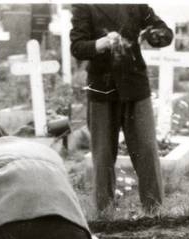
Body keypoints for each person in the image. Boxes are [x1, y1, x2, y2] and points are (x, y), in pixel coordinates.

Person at [70, 4, 174, 214]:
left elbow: (164, 32)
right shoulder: (84, 6)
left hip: (135, 86)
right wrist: (102, 43)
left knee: (146, 150)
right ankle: (105, 215)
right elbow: (77, 48)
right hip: (102, 89)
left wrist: (154, 34)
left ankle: (154, 213)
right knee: (103, 155)